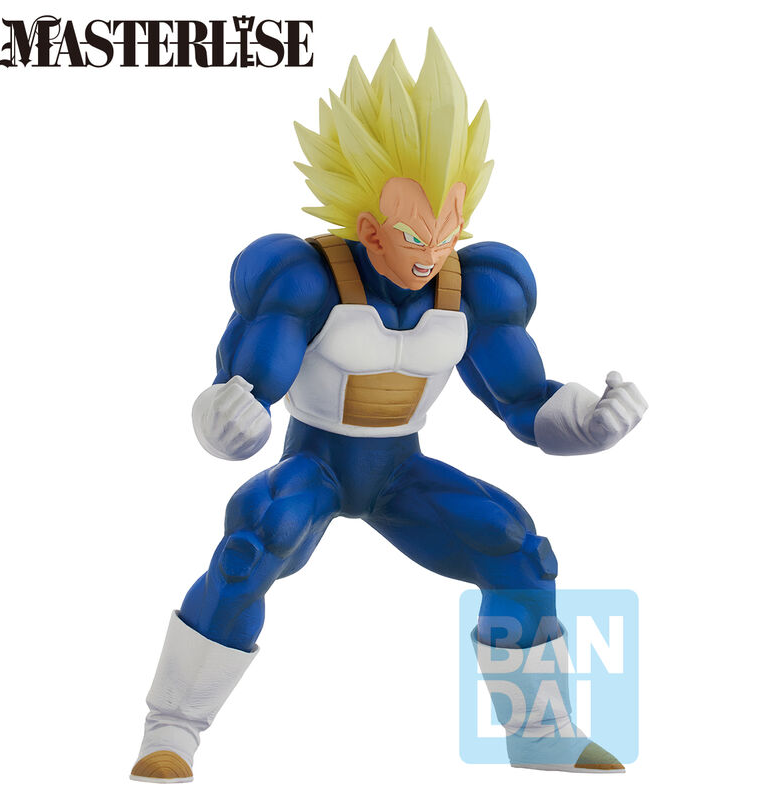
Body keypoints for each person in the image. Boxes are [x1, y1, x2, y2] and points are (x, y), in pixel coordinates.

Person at [131, 29, 647, 783]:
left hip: (403, 473)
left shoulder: (476, 286)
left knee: (518, 549)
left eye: (447, 228)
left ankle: (541, 732)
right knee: (253, 544)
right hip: (316, 467)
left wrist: (587, 424)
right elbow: (244, 389)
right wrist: (225, 421)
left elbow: (523, 399)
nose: (432, 251)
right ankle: (171, 730)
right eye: (411, 233)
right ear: (369, 227)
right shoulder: (303, 276)